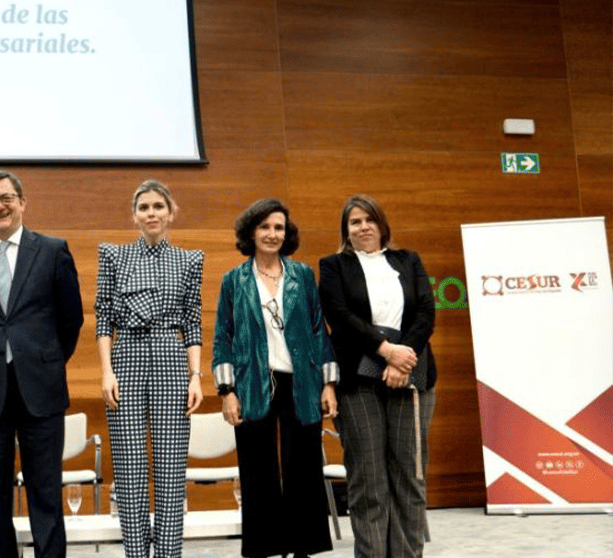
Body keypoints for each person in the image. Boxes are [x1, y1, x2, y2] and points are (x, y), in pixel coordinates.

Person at [0, 169, 83, 558]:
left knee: (45, 492)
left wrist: (44, 361)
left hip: (41, 389)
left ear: (22, 203)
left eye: (6, 198)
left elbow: (71, 319)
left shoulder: (54, 250)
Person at [212, 198, 338, 558]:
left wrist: (329, 384)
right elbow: (223, 336)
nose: (272, 234)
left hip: (302, 382)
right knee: (257, 469)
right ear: (251, 232)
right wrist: (227, 391)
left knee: (304, 467)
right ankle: (264, 549)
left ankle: (303, 548)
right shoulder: (234, 280)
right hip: (253, 383)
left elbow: (319, 331)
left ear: (287, 233)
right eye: (265, 226)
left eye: (279, 227)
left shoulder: (302, 275)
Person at [318, 195, 436, 558]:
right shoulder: (334, 265)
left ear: (383, 225)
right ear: (346, 231)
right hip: (358, 380)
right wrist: (386, 351)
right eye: (354, 222)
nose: (363, 226)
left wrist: (402, 361)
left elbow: (426, 313)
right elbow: (338, 316)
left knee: (409, 477)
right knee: (368, 479)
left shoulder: (408, 260)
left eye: (369, 219)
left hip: (412, 374)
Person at [95, 180, 204, 558]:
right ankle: (136, 554)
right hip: (125, 355)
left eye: (159, 206)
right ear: (134, 215)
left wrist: (195, 376)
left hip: (171, 357)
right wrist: (106, 371)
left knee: (171, 467)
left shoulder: (191, 260)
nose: (152, 213)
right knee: (128, 468)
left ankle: (169, 554)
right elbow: (103, 317)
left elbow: (192, 323)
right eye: (144, 207)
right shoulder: (113, 255)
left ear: (171, 212)